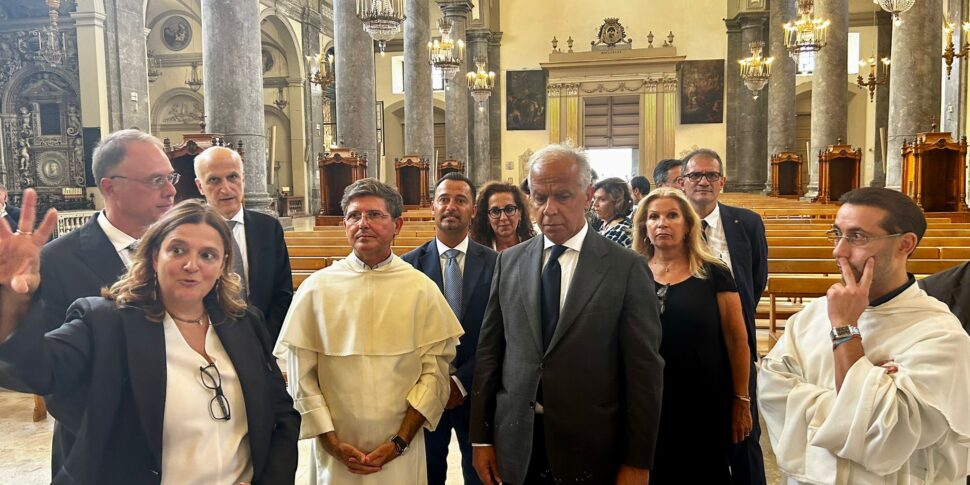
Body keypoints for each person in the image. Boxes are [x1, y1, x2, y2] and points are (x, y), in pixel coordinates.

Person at [0, 193, 300, 484]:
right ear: (155, 255)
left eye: (207, 255)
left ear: (223, 265)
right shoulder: (105, 322)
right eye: (178, 250)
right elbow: (33, 371)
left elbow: (282, 415)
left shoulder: (244, 323)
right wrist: (13, 300)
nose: (191, 265)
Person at [470, 144, 664, 485]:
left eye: (562, 196)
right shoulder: (510, 261)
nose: (549, 209)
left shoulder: (626, 268)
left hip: (592, 445)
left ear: (588, 195)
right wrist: (481, 437)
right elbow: (490, 355)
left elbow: (644, 372)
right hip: (517, 441)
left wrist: (638, 460)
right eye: (540, 197)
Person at [759, 187, 970, 484]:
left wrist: (845, 329)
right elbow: (772, 391)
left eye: (858, 237)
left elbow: (884, 435)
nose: (839, 251)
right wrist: (868, 394)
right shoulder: (811, 316)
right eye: (837, 234)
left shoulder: (940, 335)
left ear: (905, 244)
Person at [274, 178, 464, 485]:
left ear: (397, 225)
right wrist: (330, 442)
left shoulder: (421, 289)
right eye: (353, 215)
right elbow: (302, 377)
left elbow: (434, 374)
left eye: (374, 215)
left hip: (400, 451)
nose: (363, 223)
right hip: (336, 453)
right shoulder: (316, 289)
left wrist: (400, 441)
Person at [37, 128, 178, 476]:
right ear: (110, 186)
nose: (172, 190)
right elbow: (52, 376)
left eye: (170, 177)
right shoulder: (57, 261)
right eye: (156, 180)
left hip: (183, 443)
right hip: (102, 453)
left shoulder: (181, 249)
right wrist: (126, 437)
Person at [633, 187, 752, 484]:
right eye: (653, 217)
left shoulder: (714, 272)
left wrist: (742, 398)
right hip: (647, 399)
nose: (662, 223)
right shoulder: (631, 272)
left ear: (688, 225)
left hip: (703, 399)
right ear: (644, 227)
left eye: (672, 215)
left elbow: (737, 339)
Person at [402, 172, 497, 485]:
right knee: (427, 474)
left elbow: (500, 335)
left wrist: (460, 381)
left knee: (480, 475)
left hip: (480, 390)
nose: (451, 206)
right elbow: (405, 335)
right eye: (444, 199)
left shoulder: (498, 265)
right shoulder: (408, 267)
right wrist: (438, 382)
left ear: (473, 210)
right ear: (433, 207)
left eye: (460, 200)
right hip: (424, 392)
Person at [682, 148, 768, 485]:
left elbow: (755, 279)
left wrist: (734, 317)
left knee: (744, 433)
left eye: (711, 175)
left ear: (722, 182)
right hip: (685, 346)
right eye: (695, 175)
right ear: (682, 182)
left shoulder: (746, 223)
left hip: (736, 341)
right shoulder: (670, 222)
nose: (703, 181)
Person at [194, 146, 293, 341]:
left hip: (263, 338)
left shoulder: (268, 228)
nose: (226, 188)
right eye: (214, 180)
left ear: (243, 179)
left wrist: (265, 338)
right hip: (208, 340)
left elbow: (283, 293)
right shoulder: (191, 233)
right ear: (200, 186)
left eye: (232, 177)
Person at [470, 181, 535, 252]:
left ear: (520, 213)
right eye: (495, 211)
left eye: (509, 209)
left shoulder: (536, 247)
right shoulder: (475, 251)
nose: (503, 218)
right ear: (487, 217)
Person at [591, 177, 634, 248]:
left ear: (617, 202)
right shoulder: (605, 224)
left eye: (602, 199)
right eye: (594, 198)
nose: (595, 204)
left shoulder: (623, 230)